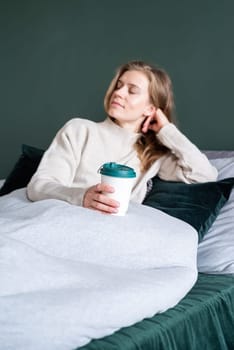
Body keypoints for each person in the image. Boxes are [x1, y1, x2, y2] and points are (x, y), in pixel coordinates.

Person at [27, 60, 218, 214]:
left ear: (150, 109)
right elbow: (39, 186)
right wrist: (82, 196)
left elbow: (205, 174)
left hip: (112, 234)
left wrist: (166, 130)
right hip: (62, 219)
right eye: (118, 86)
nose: (118, 93)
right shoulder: (79, 130)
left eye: (132, 90)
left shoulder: (153, 155)